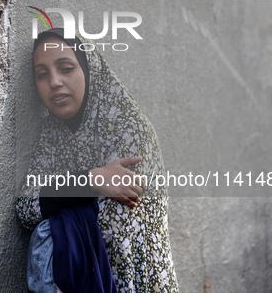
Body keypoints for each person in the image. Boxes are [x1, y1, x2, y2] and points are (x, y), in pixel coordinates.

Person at [16, 29, 179, 292]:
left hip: (135, 280)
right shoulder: (52, 132)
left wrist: (59, 196)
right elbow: (25, 208)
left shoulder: (130, 128)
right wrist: (91, 180)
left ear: (89, 69)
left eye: (66, 68)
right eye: (42, 74)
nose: (55, 82)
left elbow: (111, 231)